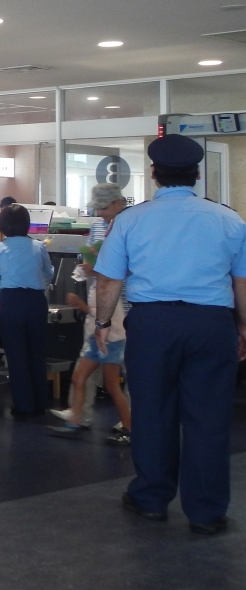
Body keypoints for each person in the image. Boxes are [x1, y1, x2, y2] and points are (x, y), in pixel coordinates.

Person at [93, 134, 246, 535]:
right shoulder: (229, 219)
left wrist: (103, 324)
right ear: (196, 174)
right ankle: (206, 511)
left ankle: (151, 498)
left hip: (153, 325)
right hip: (212, 325)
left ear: (154, 174)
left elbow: (108, 281)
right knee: (209, 418)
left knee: (151, 412)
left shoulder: (130, 220)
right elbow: (242, 282)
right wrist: (243, 326)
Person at [49, 182, 132, 443]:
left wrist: (92, 279)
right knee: (87, 377)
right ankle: (79, 416)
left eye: (104, 207)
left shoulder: (131, 226)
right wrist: (90, 269)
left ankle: (129, 424)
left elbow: (120, 271)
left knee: (114, 380)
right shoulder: (99, 228)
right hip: (103, 317)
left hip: (117, 317)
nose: (101, 213)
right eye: (98, 209)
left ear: (119, 203)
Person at [0, 204, 54, 416]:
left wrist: (3, 291)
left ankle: (23, 406)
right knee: (37, 353)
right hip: (37, 301)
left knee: (16, 355)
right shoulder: (39, 247)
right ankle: (40, 403)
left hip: (11, 301)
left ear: (2, 225)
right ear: (27, 224)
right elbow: (48, 273)